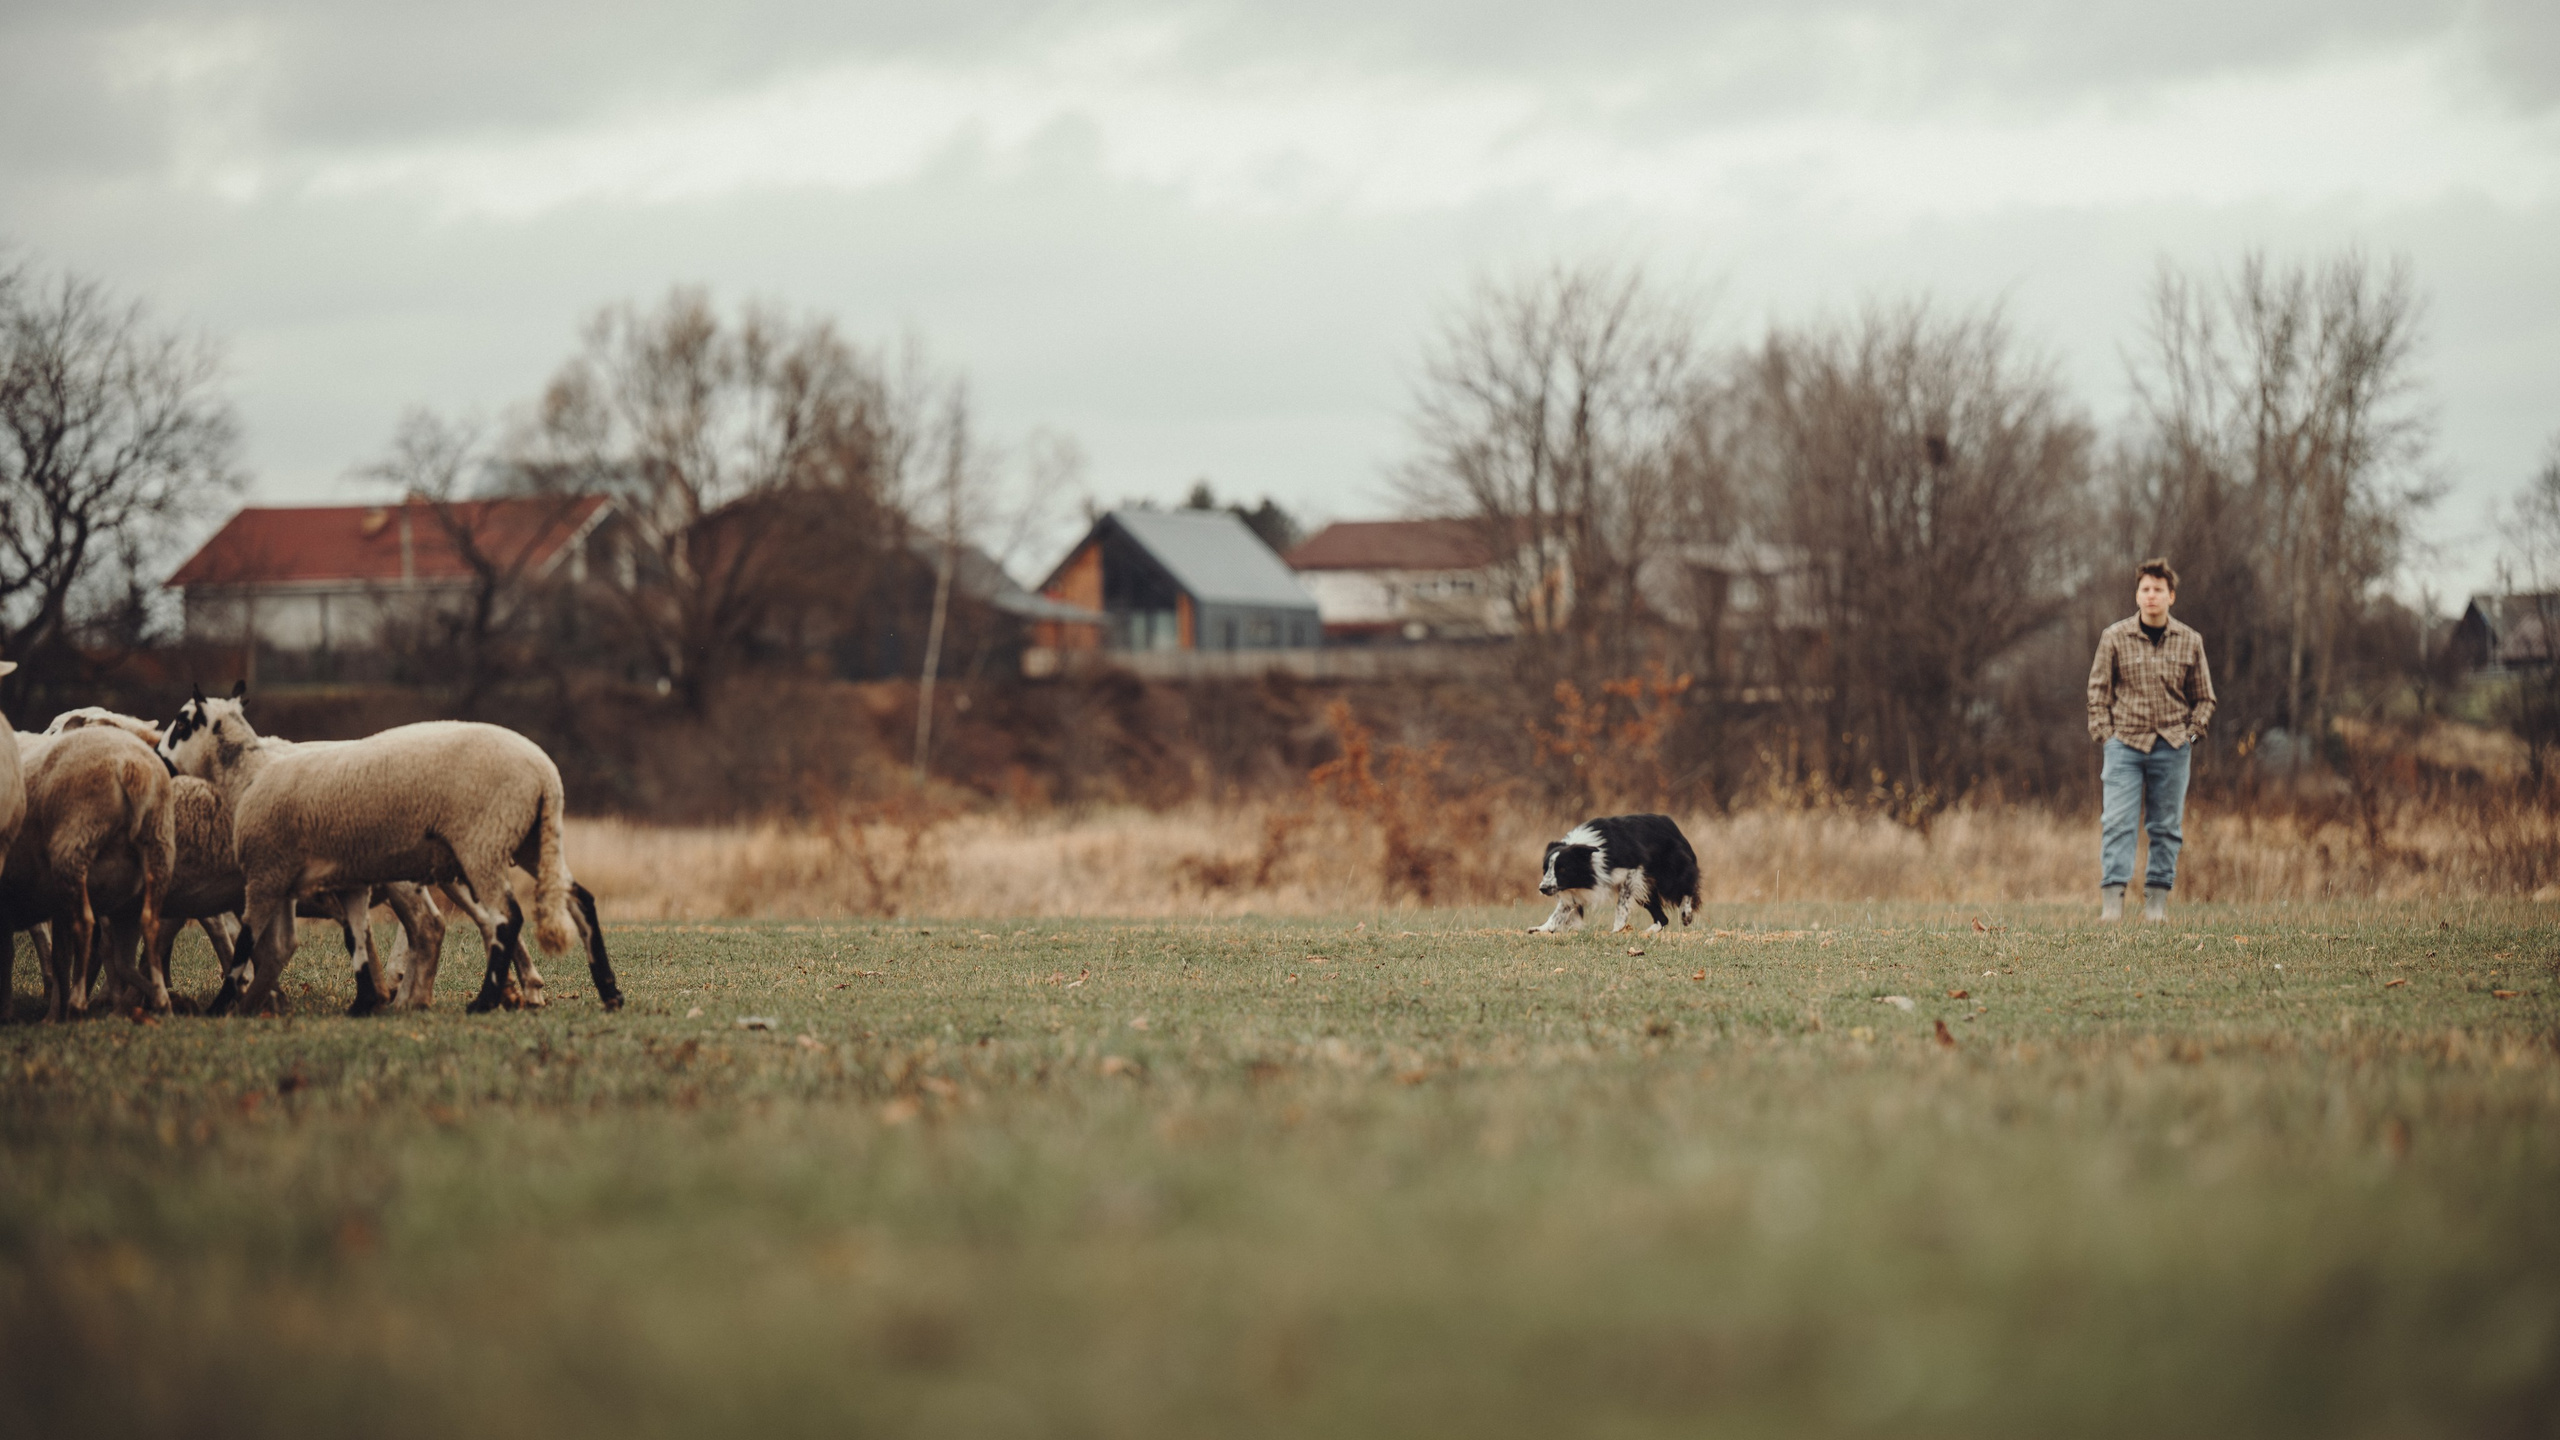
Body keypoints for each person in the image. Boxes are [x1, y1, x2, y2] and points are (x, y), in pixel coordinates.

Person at [2086, 558, 2216, 922]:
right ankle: (2112, 907)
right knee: (2117, 822)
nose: (2151, 595)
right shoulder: (2114, 637)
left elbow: (2204, 697)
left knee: (2165, 827)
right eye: (2145, 589)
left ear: (2171, 596)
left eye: (2159, 589)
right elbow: (2098, 690)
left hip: (2173, 746)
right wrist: (2105, 735)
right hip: (2124, 743)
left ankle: (2156, 907)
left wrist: (2192, 732)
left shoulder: (2190, 641)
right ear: (2137, 595)